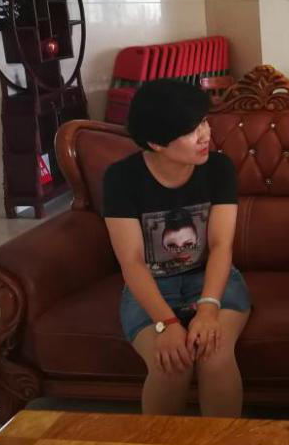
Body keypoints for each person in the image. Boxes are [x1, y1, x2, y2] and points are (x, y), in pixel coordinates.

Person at [103, 79, 250, 417]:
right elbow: (132, 261)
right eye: (191, 130)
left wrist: (208, 309)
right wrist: (167, 324)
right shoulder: (121, 179)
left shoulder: (219, 168)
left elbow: (220, 245)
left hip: (211, 279)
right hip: (153, 285)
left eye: (204, 122)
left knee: (214, 354)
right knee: (171, 364)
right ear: (156, 143)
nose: (205, 134)